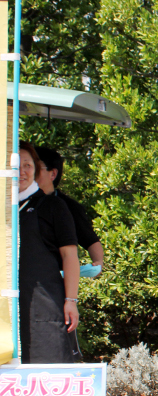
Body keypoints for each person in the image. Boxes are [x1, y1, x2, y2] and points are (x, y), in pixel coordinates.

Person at [18, 142, 80, 364]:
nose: (21, 171)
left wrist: (71, 300)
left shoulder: (52, 206)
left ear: (35, 169)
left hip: (45, 306)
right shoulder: (4, 207)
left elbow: (70, 256)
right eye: (15, 166)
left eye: (27, 165)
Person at [34, 146, 104, 271]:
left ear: (53, 174)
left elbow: (90, 240)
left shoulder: (67, 206)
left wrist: (97, 263)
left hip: (53, 276)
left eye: (35, 168)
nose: (27, 172)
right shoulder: (17, 201)